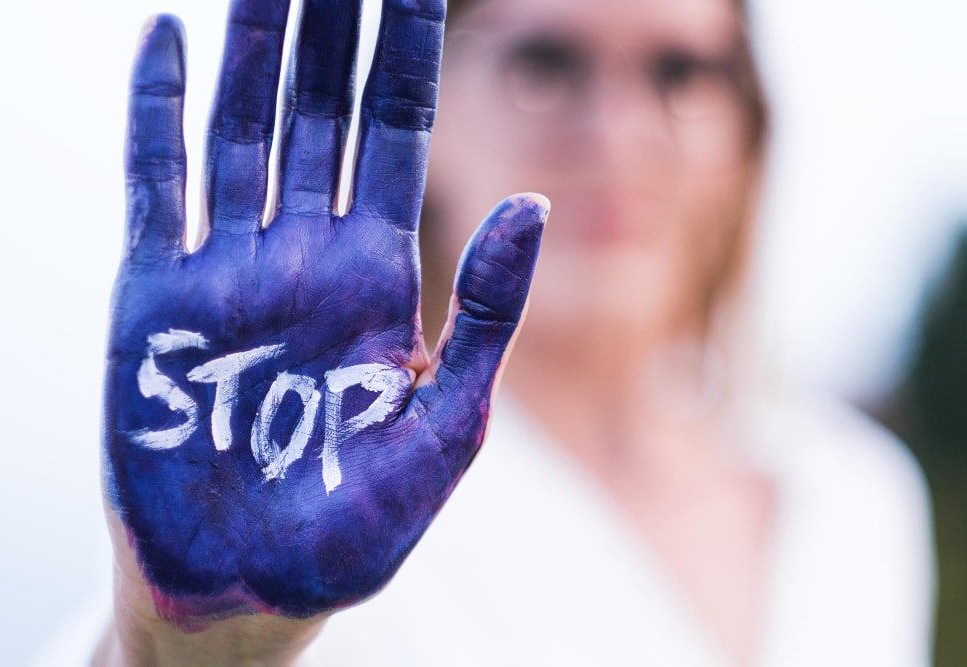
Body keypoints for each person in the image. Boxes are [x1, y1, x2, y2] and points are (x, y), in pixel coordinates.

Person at [72, 0, 934, 665]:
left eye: (682, 72)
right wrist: (192, 651)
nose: (617, 133)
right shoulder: (313, 490)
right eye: (546, 61)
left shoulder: (857, 497)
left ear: (749, 132)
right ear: (423, 116)